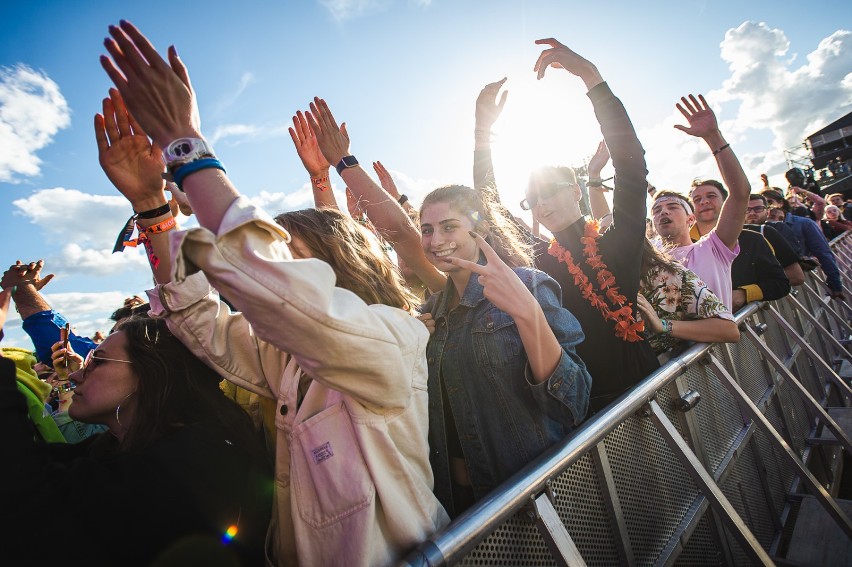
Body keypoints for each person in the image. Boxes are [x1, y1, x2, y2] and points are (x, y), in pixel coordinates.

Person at [99, 21, 448, 565]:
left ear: (343, 267)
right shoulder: (286, 359)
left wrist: (186, 148)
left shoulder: (395, 339)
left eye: (294, 261)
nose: (277, 274)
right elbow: (198, 320)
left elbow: (283, 293)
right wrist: (153, 209)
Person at [474, 40, 660, 414]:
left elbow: (630, 164)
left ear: (577, 190)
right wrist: (483, 133)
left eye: (548, 192)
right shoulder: (539, 259)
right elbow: (489, 205)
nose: (540, 204)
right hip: (588, 413)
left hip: (650, 392)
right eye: (531, 199)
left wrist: (590, 77)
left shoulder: (619, 241)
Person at [1, 315, 274, 566]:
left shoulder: (196, 463)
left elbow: (28, 501)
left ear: (151, 372)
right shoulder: (116, 448)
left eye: (98, 361)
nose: (74, 375)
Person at [417, 183, 591, 517]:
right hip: (459, 509)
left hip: (535, 496)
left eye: (449, 226)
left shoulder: (528, 284)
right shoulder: (428, 313)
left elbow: (575, 403)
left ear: (479, 229)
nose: (436, 241)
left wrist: (528, 312)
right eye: (427, 230)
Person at [651, 94, 750, 312]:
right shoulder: (648, 257)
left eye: (673, 207)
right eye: (656, 210)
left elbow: (740, 193)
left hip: (718, 345)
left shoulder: (713, 249)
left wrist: (713, 137)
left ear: (691, 218)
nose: (663, 212)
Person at [687, 179, 790, 310]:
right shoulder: (683, 248)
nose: (704, 201)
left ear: (726, 203)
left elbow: (780, 283)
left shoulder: (752, 239)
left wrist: (744, 294)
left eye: (711, 196)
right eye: (696, 199)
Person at [635, 240, 738, 358]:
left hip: (672, 371)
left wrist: (663, 325)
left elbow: (729, 330)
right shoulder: (610, 286)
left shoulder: (669, 275)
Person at [759, 188, 845, 299]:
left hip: (807, 284)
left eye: (769, 202)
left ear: (780, 203)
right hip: (779, 289)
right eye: (763, 204)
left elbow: (823, 253)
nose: (767, 206)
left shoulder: (804, 223)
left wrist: (835, 283)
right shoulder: (760, 228)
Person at [742, 194, 805, 286]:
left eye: (758, 208)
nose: (752, 213)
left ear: (767, 212)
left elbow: (794, 269)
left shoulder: (777, 228)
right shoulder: (737, 234)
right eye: (747, 209)